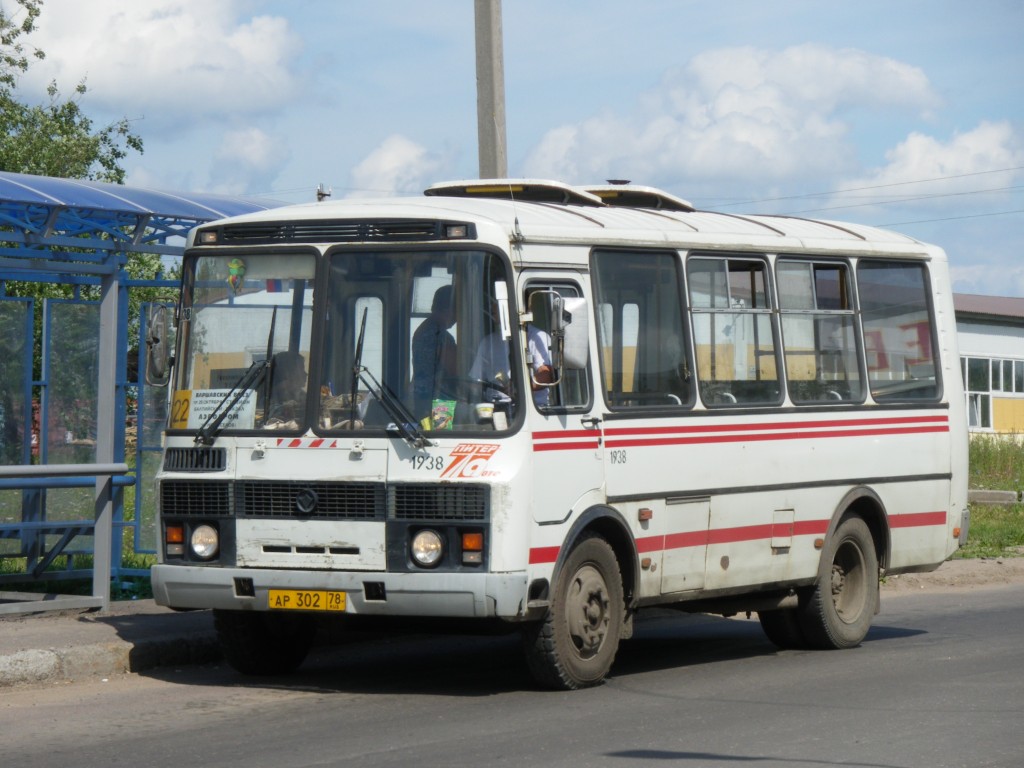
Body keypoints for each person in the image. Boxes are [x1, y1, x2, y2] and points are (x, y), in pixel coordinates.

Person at [469, 300, 553, 407]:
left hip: (531, 408)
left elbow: (546, 375)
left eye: (496, 301)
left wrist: (521, 388)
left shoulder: (537, 337)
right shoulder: (488, 342)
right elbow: (475, 380)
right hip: (494, 407)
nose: (491, 306)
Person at [411, 285, 457, 413]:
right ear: (448, 310)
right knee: (441, 430)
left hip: (421, 398)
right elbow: (455, 369)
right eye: (456, 313)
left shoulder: (422, 329)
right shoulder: (440, 335)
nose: (456, 319)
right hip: (440, 400)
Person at [267, 350, 307, 424]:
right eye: (301, 369)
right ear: (287, 373)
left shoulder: (303, 395)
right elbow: (269, 415)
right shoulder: (271, 395)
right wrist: (284, 408)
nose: (305, 374)